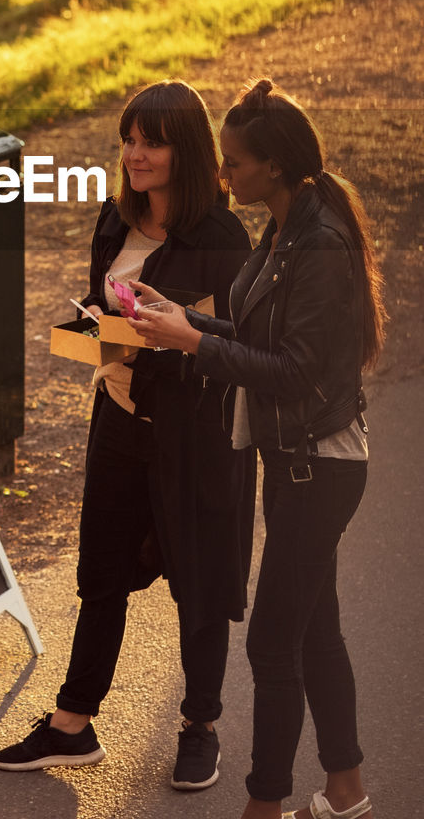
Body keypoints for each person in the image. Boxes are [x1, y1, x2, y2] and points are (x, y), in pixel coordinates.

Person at [130, 78, 384, 819]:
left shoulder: (320, 244)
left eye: (233, 163)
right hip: (293, 462)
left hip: (319, 468)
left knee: (272, 646)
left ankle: (262, 806)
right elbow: (256, 339)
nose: (221, 174)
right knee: (314, 633)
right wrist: (185, 323)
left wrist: (191, 346)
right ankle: (345, 791)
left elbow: (294, 370)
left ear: (271, 166)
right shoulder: (283, 229)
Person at [0, 80, 254, 791]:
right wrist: (90, 339)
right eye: (129, 140)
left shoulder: (222, 240)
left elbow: (245, 344)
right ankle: (73, 724)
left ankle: (199, 726)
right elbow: (96, 315)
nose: (135, 154)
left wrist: (174, 338)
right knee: (99, 574)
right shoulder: (115, 219)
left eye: (152, 141)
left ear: (187, 150)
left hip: (195, 439)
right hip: (116, 423)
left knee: (197, 586)